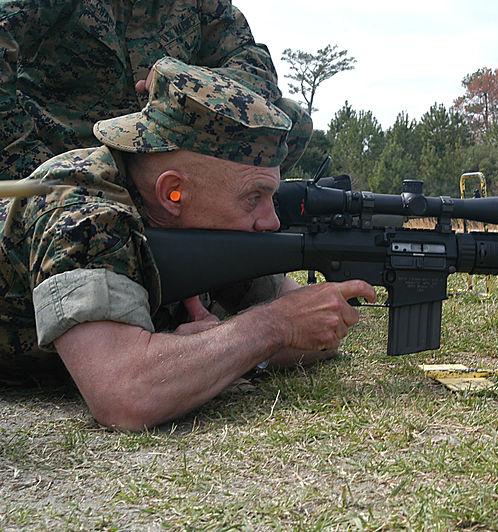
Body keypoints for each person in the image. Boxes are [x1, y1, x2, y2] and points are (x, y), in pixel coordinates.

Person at [0, 57, 376, 431]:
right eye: (254, 197)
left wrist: (229, 344)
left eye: (271, 196)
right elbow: (125, 394)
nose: (272, 221)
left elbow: (314, 336)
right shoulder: (78, 207)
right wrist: (269, 327)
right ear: (172, 192)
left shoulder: (208, 227)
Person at [0, 0, 312, 181]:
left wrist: (187, 81)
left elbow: (255, 66)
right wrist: (27, 161)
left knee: (290, 121)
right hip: (65, 147)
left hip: (167, 146)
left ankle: (225, 220)